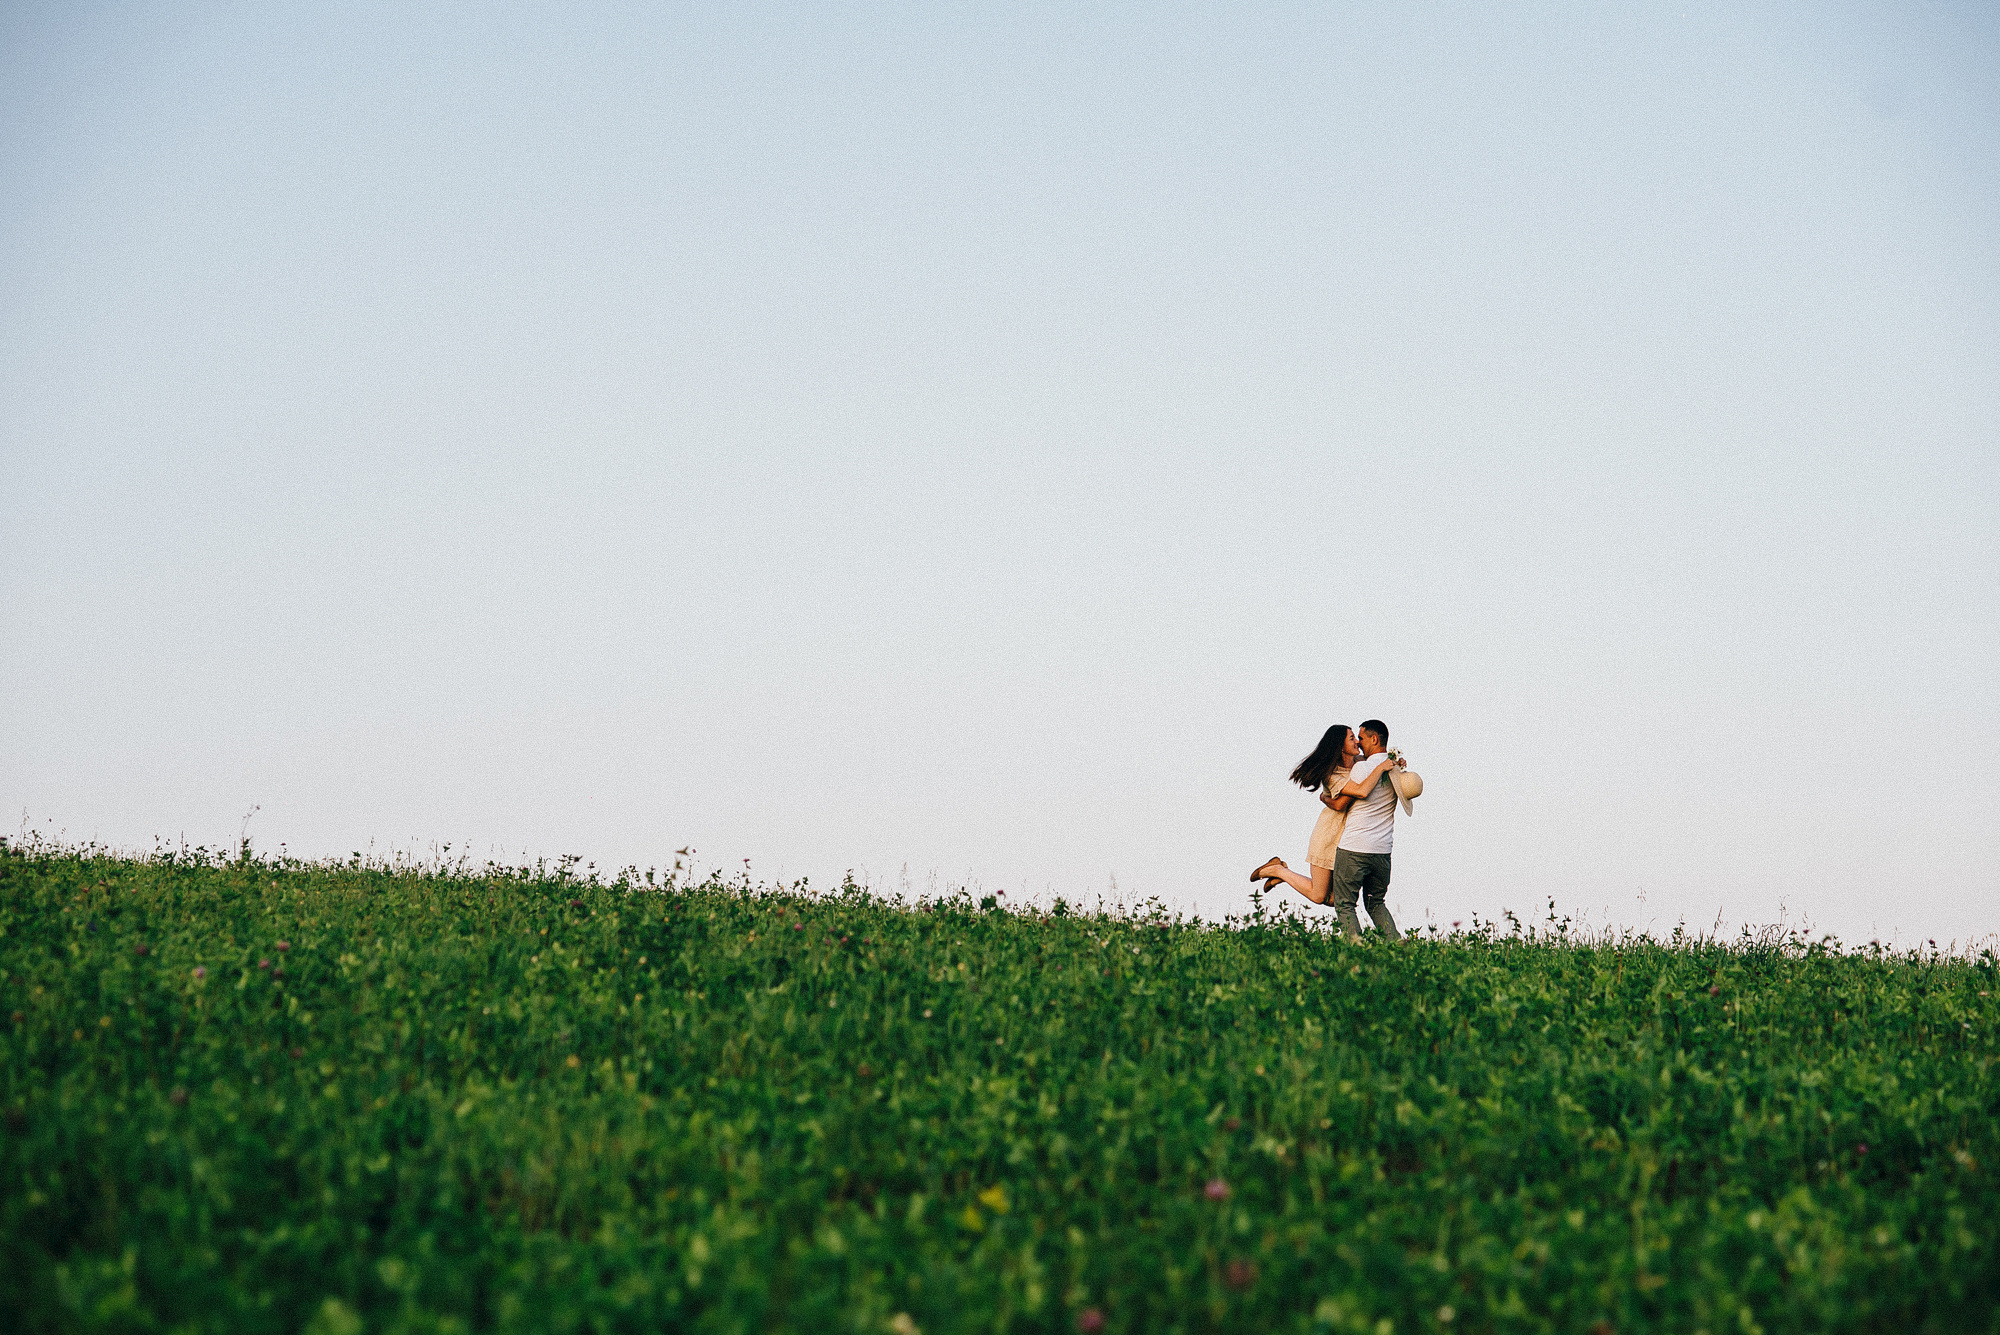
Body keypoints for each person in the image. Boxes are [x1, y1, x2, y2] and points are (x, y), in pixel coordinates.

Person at [1250, 724, 1360, 910]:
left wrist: (1396, 763)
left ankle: (1282, 872)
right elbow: (1342, 803)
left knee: (1334, 899)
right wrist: (1362, 780)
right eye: (1351, 738)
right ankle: (1277, 870)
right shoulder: (1331, 774)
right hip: (1328, 837)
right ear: (1340, 746)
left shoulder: (1360, 764)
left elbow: (1375, 763)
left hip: (1346, 839)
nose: (1357, 741)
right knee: (1319, 895)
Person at [1323, 719, 1402, 942]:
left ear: (1374, 739)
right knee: (1375, 902)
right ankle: (1395, 942)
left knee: (1344, 903)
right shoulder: (1396, 769)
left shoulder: (1362, 768)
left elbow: (1343, 801)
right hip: (1383, 851)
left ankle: (1356, 946)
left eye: (1362, 738)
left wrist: (1326, 797)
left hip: (1354, 847)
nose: (1358, 742)